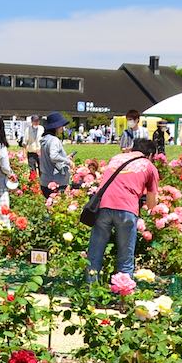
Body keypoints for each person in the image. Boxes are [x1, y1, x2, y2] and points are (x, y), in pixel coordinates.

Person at [86, 138, 160, 283]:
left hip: (103, 207)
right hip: (126, 209)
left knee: (95, 253)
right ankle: (123, 296)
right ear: (150, 155)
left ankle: (90, 292)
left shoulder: (116, 158)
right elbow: (152, 204)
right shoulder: (148, 166)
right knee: (125, 257)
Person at [38, 111, 73, 196]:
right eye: (61, 125)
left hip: (45, 181)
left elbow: (50, 157)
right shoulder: (54, 140)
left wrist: (65, 157)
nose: (62, 128)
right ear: (56, 126)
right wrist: (68, 161)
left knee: (49, 207)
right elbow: (53, 156)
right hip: (56, 182)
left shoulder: (45, 140)